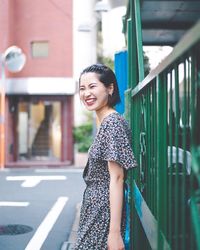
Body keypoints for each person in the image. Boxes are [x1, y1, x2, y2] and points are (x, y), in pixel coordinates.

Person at [74, 64, 137, 250]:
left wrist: (114, 233)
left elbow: (117, 178)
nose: (86, 94)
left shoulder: (112, 123)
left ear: (109, 88)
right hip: (96, 209)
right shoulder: (104, 120)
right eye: (82, 89)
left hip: (103, 212)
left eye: (92, 86)